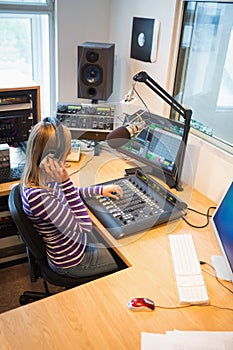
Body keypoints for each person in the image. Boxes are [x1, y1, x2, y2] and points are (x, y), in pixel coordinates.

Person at [21, 117, 123, 278]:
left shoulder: (40, 177)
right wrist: (65, 181)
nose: (69, 154)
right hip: (73, 261)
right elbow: (84, 226)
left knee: (112, 239)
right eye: (66, 153)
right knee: (123, 257)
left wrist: (99, 190)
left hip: (76, 244)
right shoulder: (39, 197)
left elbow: (70, 194)